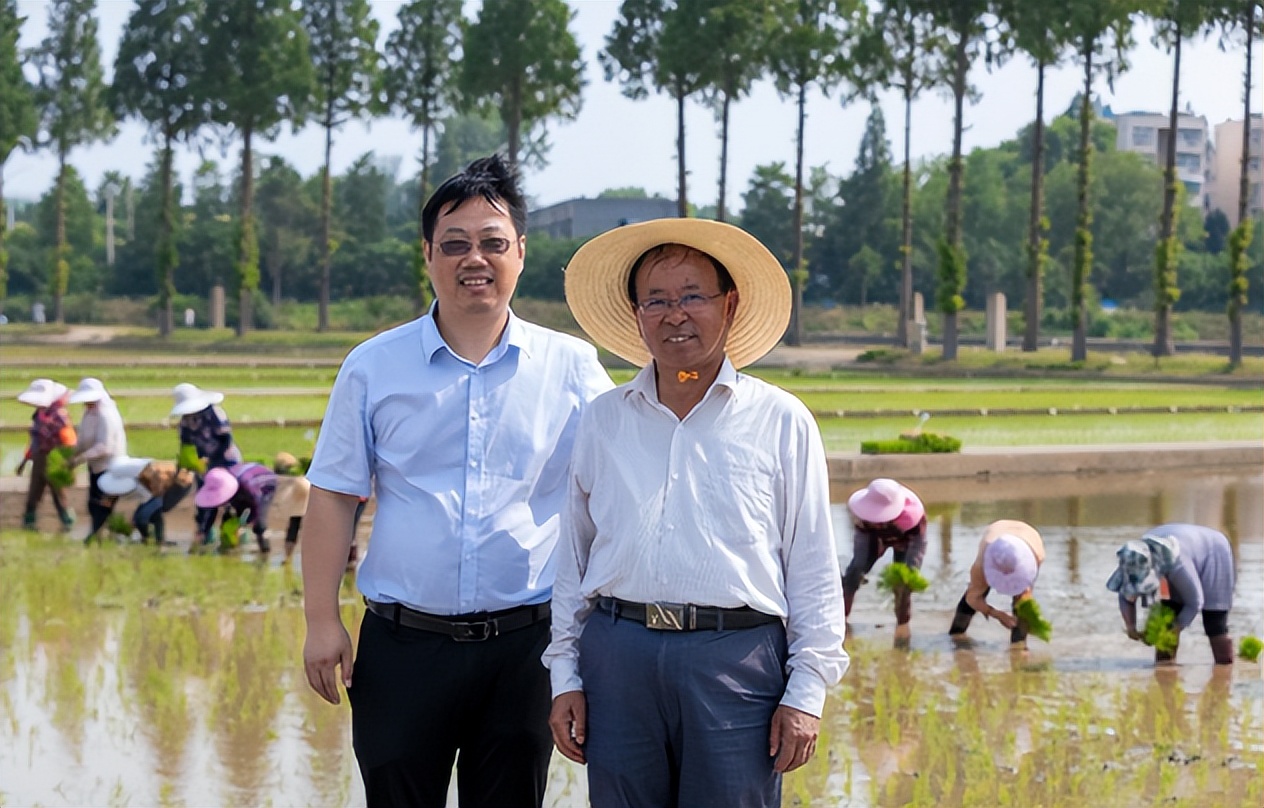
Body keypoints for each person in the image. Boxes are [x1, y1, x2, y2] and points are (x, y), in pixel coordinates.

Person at [301, 154, 613, 807]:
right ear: (428, 254)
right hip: (402, 644)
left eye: (494, 243)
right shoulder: (374, 367)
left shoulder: (571, 368)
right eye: (456, 244)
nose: (476, 258)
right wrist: (321, 620)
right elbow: (334, 496)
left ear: (521, 252)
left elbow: (611, 498)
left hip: (525, 649)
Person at [543, 218, 848, 808]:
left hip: (734, 661)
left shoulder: (781, 421)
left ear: (729, 305)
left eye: (691, 297)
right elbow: (573, 560)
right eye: (655, 300)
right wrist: (566, 676)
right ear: (636, 314)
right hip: (618, 655)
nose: (674, 315)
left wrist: (806, 690)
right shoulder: (603, 421)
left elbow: (812, 565)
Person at [1107, 524, 1236, 666]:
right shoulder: (1133, 558)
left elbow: (1195, 601)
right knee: (1168, 613)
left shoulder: (1178, 564)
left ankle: (1225, 670)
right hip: (1177, 546)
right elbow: (1125, 595)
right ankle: (1165, 668)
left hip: (1214, 551)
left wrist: (1178, 626)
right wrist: (1131, 626)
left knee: (1214, 621)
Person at [842, 478, 927, 642]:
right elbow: (863, 544)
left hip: (906, 541)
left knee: (904, 579)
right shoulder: (863, 516)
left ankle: (902, 625)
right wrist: (869, 558)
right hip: (871, 535)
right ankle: (841, 617)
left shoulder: (913, 518)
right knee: (855, 570)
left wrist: (911, 568)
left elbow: (917, 546)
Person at [948, 520, 1045, 646]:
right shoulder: (982, 562)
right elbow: (972, 598)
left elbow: (1025, 595)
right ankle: (956, 635)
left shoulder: (1036, 556)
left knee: (1022, 601)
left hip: (1028, 536)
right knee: (976, 590)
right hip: (997, 530)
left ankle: (1018, 647)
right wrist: (997, 614)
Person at [170, 383, 241, 548]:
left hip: (226, 460)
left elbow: (226, 439)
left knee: (228, 498)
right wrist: (185, 467)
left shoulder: (214, 413)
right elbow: (186, 446)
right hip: (204, 466)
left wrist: (213, 461)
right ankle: (203, 535)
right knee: (205, 500)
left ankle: (231, 535)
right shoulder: (185, 422)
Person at [68, 378, 128, 542]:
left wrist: (80, 459)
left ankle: (97, 536)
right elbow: (83, 440)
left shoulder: (106, 415)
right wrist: (72, 455)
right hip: (95, 466)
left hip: (110, 466)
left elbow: (105, 446)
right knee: (93, 503)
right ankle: (104, 535)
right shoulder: (88, 413)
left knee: (102, 504)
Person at [16, 378, 77, 530]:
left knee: (58, 493)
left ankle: (67, 522)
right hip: (39, 458)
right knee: (34, 492)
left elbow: (70, 441)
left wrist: (67, 462)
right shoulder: (39, 415)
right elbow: (35, 441)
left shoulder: (59, 416)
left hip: (54, 459)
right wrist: (24, 461)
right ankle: (29, 521)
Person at [194, 463, 278, 554]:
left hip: (265, 484)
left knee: (259, 524)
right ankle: (229, 547)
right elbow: (212, 511)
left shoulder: (248, 487)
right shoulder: (219, 483)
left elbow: (255, 508)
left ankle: (265, 552)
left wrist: (244, 523)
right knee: (229, 519)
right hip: (240, 484)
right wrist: (203, 531)